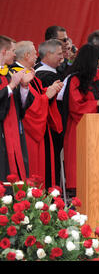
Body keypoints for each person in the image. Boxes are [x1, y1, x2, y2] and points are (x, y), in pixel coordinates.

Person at [61, 43, 99, 193]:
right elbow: (75, 107)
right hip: (80, 129)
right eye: (98, 58)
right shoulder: (74, 79)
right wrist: (98, 102)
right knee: (82, 168)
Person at [12, 41, 63, 187]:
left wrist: (49, 91)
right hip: (28, 132)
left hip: (40, 128)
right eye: (35, 53)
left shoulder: (29, 73)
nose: (37, 56)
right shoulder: (15, 73)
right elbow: (28, 106)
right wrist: (47, 96)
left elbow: (35, 95)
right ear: (27, 55)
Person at [0, 35, 34, 182]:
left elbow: (20, 106)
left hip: (14, 130)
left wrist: (24, 87)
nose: (15, 54)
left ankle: (14, 202)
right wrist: (11, 86)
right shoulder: (10, 78)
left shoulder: (9, 74)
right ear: (3, 51)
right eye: (13, 51)